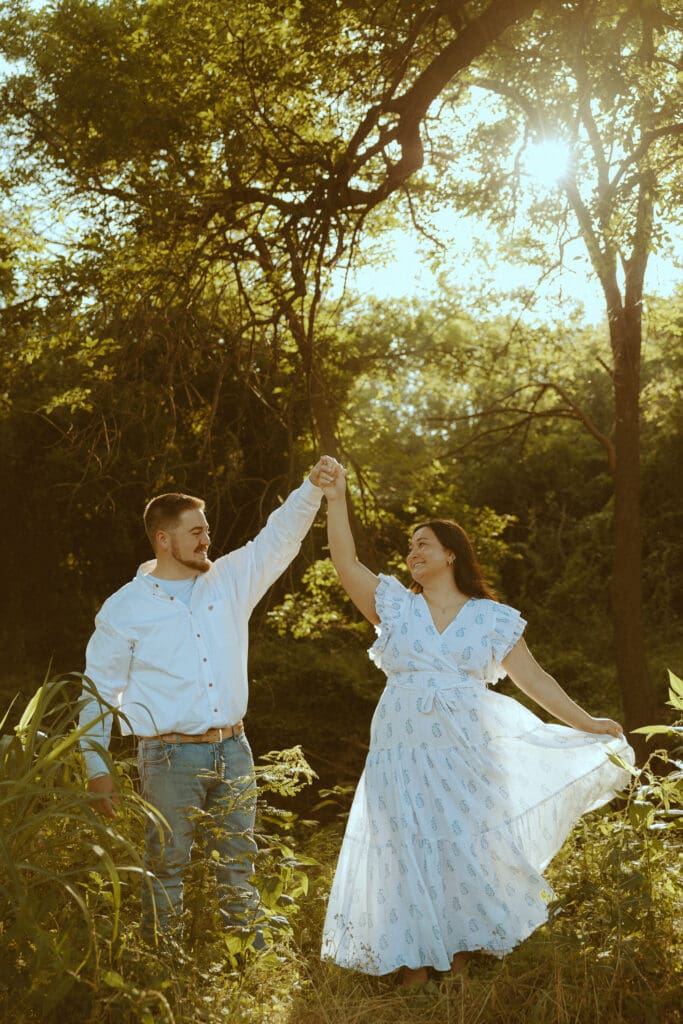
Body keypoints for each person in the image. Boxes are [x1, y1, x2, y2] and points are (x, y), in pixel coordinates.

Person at [318, 459, 634, 987]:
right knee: (403, 846)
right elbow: (345, 560)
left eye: (423, 544)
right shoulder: (394, 606)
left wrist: (587, 720)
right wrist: (336, 498)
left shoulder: (492, 618)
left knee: (463, 845)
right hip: (400, 746)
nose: (412, 552)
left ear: (450, 554)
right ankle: (415, 968)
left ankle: (458, 963)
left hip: (466, 749)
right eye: (410, 546)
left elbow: (536, 680)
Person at [78, 457, 337, 945]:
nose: (206, 540)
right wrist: (96, 767)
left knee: (239, 864)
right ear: (163, 539)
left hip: (234, 749)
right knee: (166, 867)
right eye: (195, 532)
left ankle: (250, 969)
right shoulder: (125, 608)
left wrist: (312, 487)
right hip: (167, 756)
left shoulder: (228, 580)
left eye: (207, 530)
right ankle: (164, 970)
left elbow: (278, 538)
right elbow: (97, 689)